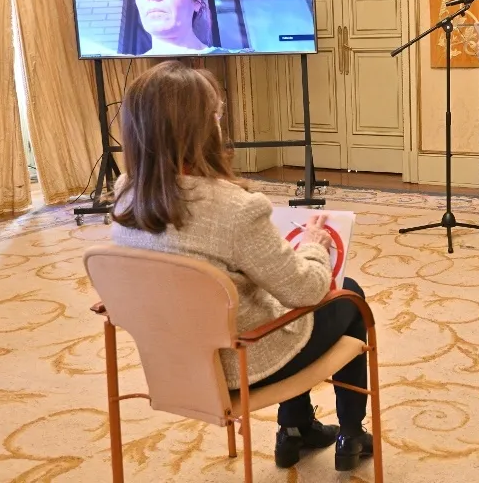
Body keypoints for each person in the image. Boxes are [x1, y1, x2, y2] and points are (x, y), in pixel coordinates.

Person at [111, 61, 373, 472]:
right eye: (216, 116)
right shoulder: (235, 208)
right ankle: (352, 434)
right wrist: (313, 246)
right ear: (202, 128)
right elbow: (306, 290)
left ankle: (296, 428)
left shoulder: (126, 193)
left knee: (269, 291)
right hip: (239, 364)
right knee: (348, 293)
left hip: (169, 361)